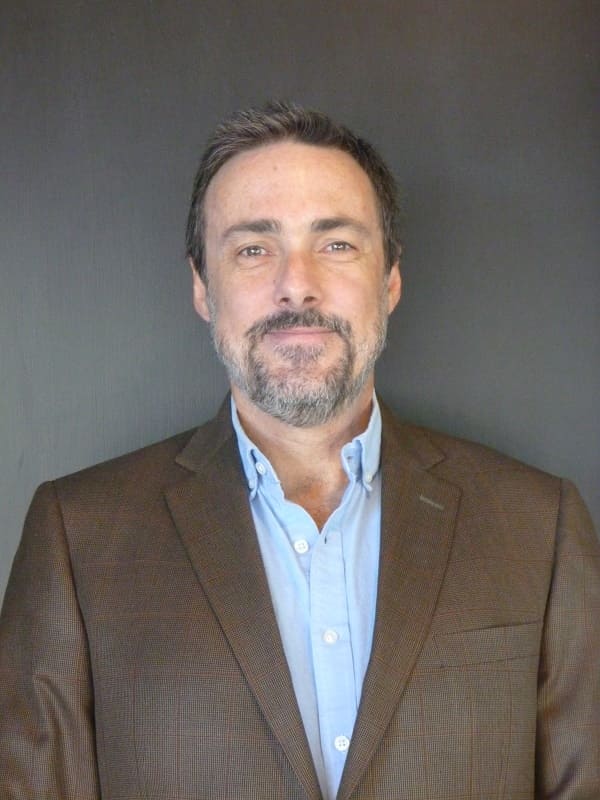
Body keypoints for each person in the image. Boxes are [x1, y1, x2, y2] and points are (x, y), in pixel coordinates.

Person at [1, 102, 598, 800]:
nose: (297, 283)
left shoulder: (539, 525)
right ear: (202, 286)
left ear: (391, 280)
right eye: (254, 248)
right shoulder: (78, 537)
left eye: (336, 244)